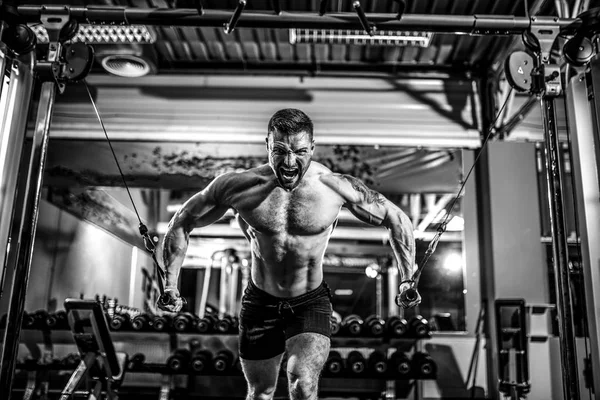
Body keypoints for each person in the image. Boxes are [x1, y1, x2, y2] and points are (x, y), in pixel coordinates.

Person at [157, 108, 420, 400]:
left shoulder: (333, 187)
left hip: (309, 300)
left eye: (300, 151)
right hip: (260, 301)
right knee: (260, 393)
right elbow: (182, 220)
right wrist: (170, 283)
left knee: (303, 385)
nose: (290, 161)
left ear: (312, 149)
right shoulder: (239, 187)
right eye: (280, 150)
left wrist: (408, 278)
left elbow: (396, 218)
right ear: (267, 145)